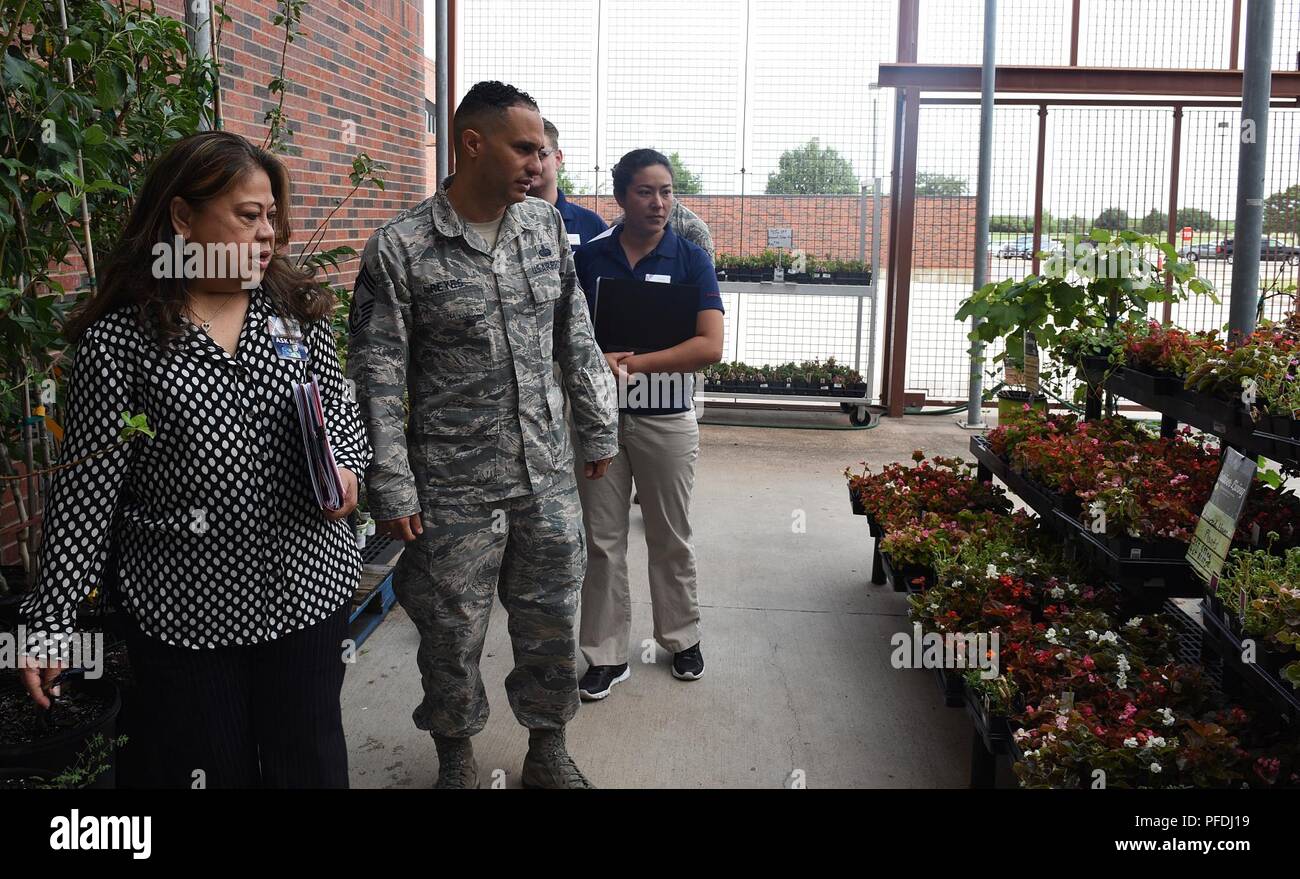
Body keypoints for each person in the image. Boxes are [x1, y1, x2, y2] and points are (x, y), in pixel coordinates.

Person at [17, 131, 371, 788]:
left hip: (307, 594)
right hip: (186, 614)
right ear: (182, 217)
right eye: (246, 215)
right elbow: (85, 496)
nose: (267, 233)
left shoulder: (297, 313)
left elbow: (344, 424)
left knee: (311, 764)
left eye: (271, 216)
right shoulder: (121, 341)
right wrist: (50, 620)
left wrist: (348, 471)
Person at [346, 81, 619, 789]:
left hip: (546, 475)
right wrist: (391, 482)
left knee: (552, 621)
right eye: (524, 147)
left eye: (544, 149)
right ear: (473, 143)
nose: (541, 160)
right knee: (449, 631)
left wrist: (597, 428)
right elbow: (377, 377)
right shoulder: (400, 249)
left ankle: (548, 747)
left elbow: (576, 336)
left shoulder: (545, 229)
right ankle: (456, 758)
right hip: (452, 489)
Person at [573, 148, 724, 701]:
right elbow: (567, 334)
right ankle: (605, 654)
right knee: (602, 541)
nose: (659, 203)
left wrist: (634, 363)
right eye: (645, 191)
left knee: (670, 536)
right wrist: (599, 362)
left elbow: (710, 345)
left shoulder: (691, 259)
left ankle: (681, 637)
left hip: (667, 417)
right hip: (599, 420)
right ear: (621, 196)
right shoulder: (589, 260)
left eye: (666, 191)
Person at [527, 118, 608, 249]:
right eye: (523, 154)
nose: (533, 164)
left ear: (558, 158)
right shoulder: (497, 219)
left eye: (541, 155)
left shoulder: (591, 225)